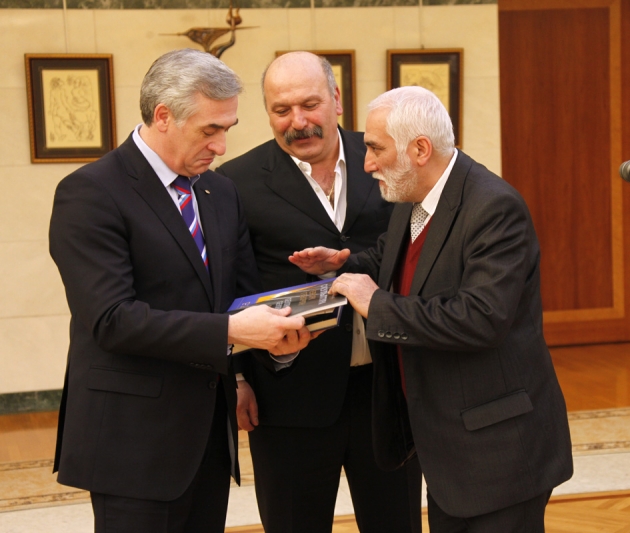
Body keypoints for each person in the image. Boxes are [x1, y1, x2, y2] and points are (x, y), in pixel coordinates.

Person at [48, 48, 313, 533]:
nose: (221, 147)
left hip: (208, 439)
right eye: (210, 130)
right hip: (132, 444)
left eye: (228, 129)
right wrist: (232, 330)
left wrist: (281, 336)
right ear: (164, 116)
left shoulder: (219, 192)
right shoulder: (90, 193)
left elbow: (240, 298)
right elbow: (112, 319)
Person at [290, 86, 574, 533]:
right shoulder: (416, 196)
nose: (367, 164)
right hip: (448, 449)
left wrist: (375, 305)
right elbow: (395, 261)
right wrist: (343, 264)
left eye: (376, 149)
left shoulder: (494, 207)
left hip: (499, 450)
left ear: (420, 150)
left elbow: (480, 318)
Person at [216, 51, 422, 533]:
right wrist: (237, 379)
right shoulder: (234, 183)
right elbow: (228, 285)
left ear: (336, 100)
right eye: (281, 110)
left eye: (309, 105)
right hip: (288, 398)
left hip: (388, 389)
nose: (298, 121)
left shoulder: (386, 157)